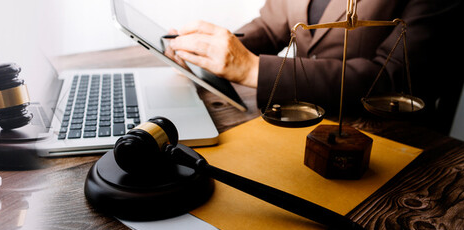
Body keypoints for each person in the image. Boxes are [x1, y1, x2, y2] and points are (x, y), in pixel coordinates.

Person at [165, 0, 463, 133]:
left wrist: (253, 70)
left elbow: (390, 79)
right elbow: (271, 27)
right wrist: (209, 47)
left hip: (388, 140)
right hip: (303, 124)